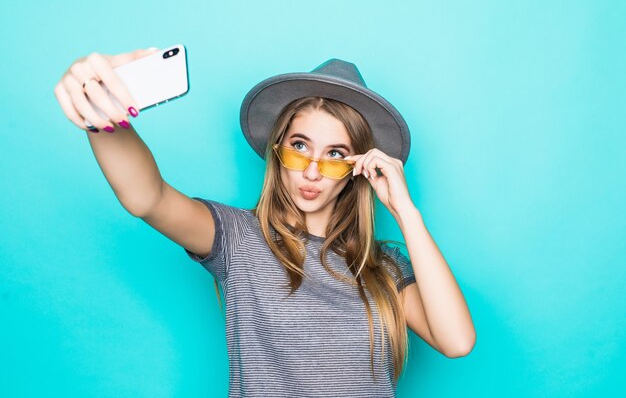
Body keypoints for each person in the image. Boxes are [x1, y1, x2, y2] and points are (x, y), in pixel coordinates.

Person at [54, 48, 476, 398]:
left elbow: (456, 342)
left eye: (333, 154)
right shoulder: (238, 237)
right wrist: (101, 117)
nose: (311, 171)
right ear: (277, 152)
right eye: (299, 147)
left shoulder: (383, 266)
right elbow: (148, 198)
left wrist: (406, 212)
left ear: (356, 167)